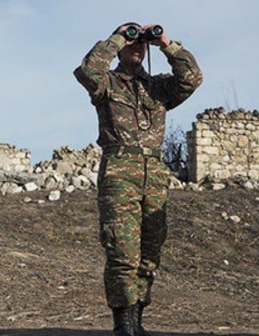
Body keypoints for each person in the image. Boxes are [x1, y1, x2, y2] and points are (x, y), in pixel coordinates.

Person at [73, 22, 202, 336]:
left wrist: (165, 43)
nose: (136, 46)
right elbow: (88, 70)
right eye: (132, 42)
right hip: (120, 171)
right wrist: (119, 36)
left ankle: (138, 319)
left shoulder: (158, 88)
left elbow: (192, 78)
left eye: (140, 42)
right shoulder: (108, 83)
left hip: (154, 175)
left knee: (150, 250)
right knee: (122, 248)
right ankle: (124, 324)